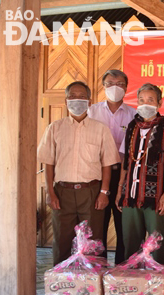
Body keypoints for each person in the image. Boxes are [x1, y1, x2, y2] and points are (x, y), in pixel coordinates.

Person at [38, 81, 120, 265]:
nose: (77, 100)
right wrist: (50, 193)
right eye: (72, 96)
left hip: (91, 192)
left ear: (89, 101)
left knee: (92, 241)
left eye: (82, 96)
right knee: (62, 239)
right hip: (62, 192)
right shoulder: (54, 128)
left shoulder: (100, 129)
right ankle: (62, 282)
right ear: (66, 100)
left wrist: (104, 192)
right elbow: (48, 163)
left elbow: (107, 164)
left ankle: (91, 281)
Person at [116, 83, 164, 265]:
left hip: (155, 196)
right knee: (130, 243)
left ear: (159, 103)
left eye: (150, 100)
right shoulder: (131, 128)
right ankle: (131, 284)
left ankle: (158, 284)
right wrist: (120, 189)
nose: (145, 103)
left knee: (157, 244)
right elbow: (126, 161)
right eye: (141, 100)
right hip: (130, 195)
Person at [88, 69, 136, 264]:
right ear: (103, 86)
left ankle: (122, 270)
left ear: (126, 87)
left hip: (125, 175)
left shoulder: (135, 114)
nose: (115, 87)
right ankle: (97, 268)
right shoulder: (91, 112)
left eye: (120, 84)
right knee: (97, 225)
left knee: (124, 225)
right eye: (110, 83)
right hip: (97, 175)